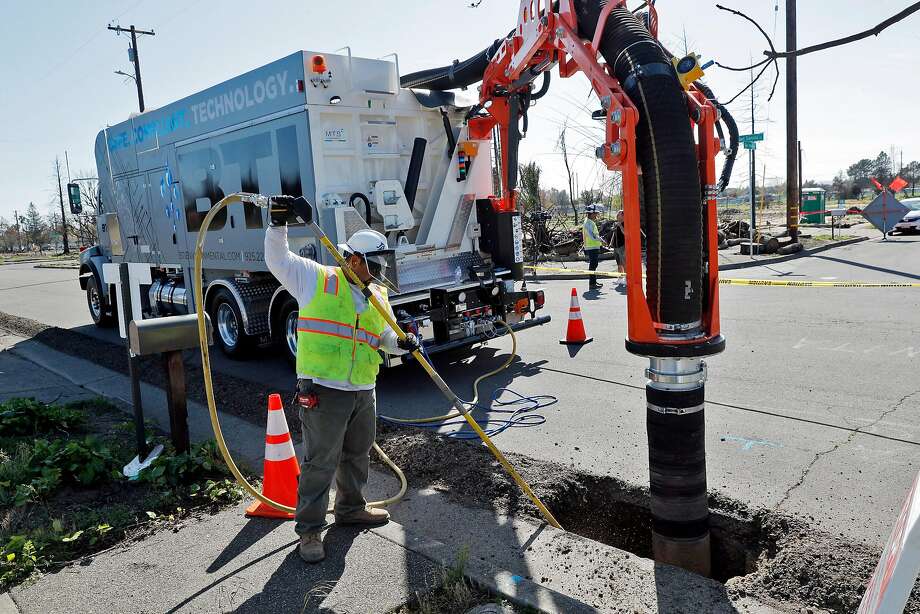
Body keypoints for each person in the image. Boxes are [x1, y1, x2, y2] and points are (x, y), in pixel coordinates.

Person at [264, 205, 419, 564]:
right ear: (352, 260)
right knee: (321, 461)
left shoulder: (377, 296)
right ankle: (310, 530)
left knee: (356, 455)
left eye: (382, 264)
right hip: (323, 389)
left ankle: (351, 509)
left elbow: (382, 336)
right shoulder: (317, 279)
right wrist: (277, 223)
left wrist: (402, 342)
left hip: (363, 389)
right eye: (374, 264)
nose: (380, 272)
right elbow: (278, 260)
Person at [582, 204, 605, 289]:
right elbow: (593, 236)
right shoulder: (588, 223)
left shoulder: (589, 222)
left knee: (594, 265)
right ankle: (592, 284)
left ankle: (594, 282)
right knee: (593, 265)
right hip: (591, 247)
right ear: (591, 213)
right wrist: (601, 240)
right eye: (595, 213)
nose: (596, 215)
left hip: (593, 246)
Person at [610, 209, 626, 289]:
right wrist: (611, 243)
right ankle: (620, 278)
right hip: (615, 246)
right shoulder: (616, 224)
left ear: (623, 216)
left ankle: (626, 278)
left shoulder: (624, 223)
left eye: (618, 214)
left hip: (622, 246)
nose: (616, 216)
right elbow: (614, 234)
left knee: (624, 263)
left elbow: (625, 233)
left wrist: (620, 226)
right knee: (619, 263)